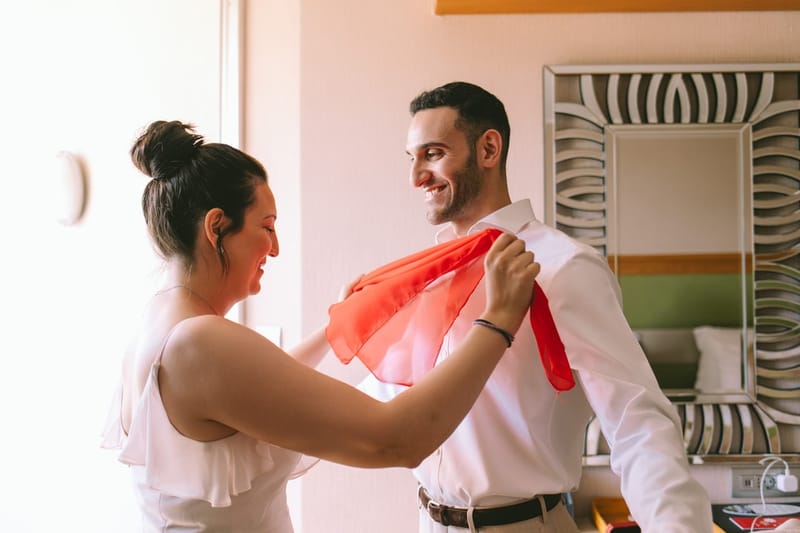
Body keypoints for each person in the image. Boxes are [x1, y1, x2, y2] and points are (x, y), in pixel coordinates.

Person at [100, 120, 541, 532]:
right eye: (266, 227)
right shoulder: (200, 342)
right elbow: (396, 440)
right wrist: (497, 321)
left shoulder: (158, 322)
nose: (274, 249)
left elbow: (255, 388)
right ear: (217, 227)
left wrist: (334, 327)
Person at [358, 82, 714, 532]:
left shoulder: (564, 267)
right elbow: (385, 401)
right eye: (413, 158)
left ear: (488, 148)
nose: (416, 177)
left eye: (432, 154)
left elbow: (635, 419)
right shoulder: (432, 274)